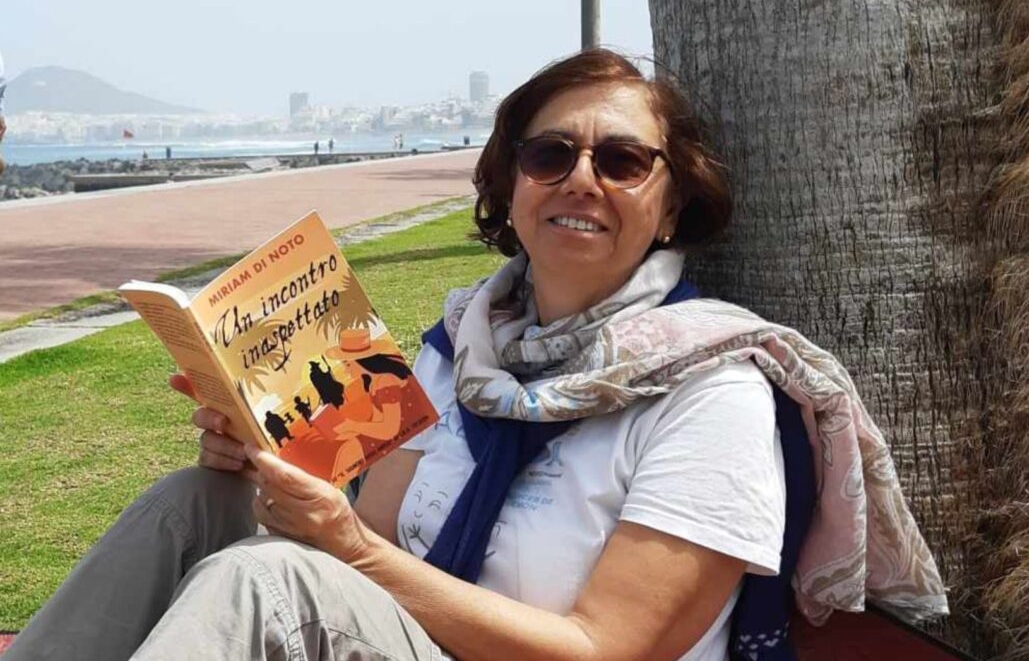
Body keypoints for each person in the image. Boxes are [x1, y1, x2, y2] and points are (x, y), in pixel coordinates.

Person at [6, 49, 947, 661]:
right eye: (550, 155)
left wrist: (341, 546)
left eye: (623, 161)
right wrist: (269, 455)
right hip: (417, 634)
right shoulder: (461, 346)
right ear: (512, 184)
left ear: (671, 204)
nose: (582, 178)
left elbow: (606, 648)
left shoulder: (713, 390)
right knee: (194, 501)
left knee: (266, 577)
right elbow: (372, 528)